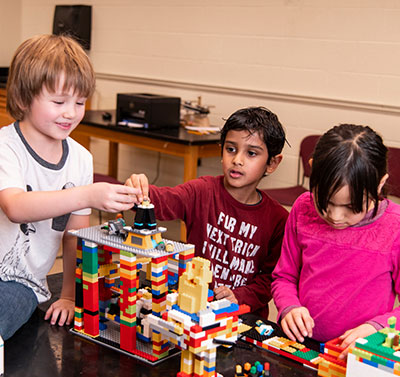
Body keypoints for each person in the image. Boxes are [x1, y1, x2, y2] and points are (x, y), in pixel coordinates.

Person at [0, 34, 139, 340]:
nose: (70, 113)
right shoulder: (5, 146)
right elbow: (15, 207)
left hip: (19, 285)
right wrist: (87, 194)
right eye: (59, 102)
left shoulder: (80, 159)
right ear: (24, 98)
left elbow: (74, 236)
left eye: (79, 102)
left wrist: (68, 296)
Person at [126, 107, 289, 319]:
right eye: (231, 149)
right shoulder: (202, 191)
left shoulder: (278, 219)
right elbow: (166, 200)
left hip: (242, 317)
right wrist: (139, 191)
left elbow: (270, 279)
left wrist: (239, 296)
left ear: (272, 163)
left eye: (251, 153)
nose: (237, 160)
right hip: (191, 310)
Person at [271, 124, 400, 359]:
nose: (335, 216)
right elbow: (284, 276)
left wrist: (376, 329)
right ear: (312, 171)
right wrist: (289, 306)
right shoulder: (302, 208)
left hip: (361, 354)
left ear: (380, 184)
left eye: (352, 207)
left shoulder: (396, 227)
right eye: (325, 201)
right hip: (302, 347)